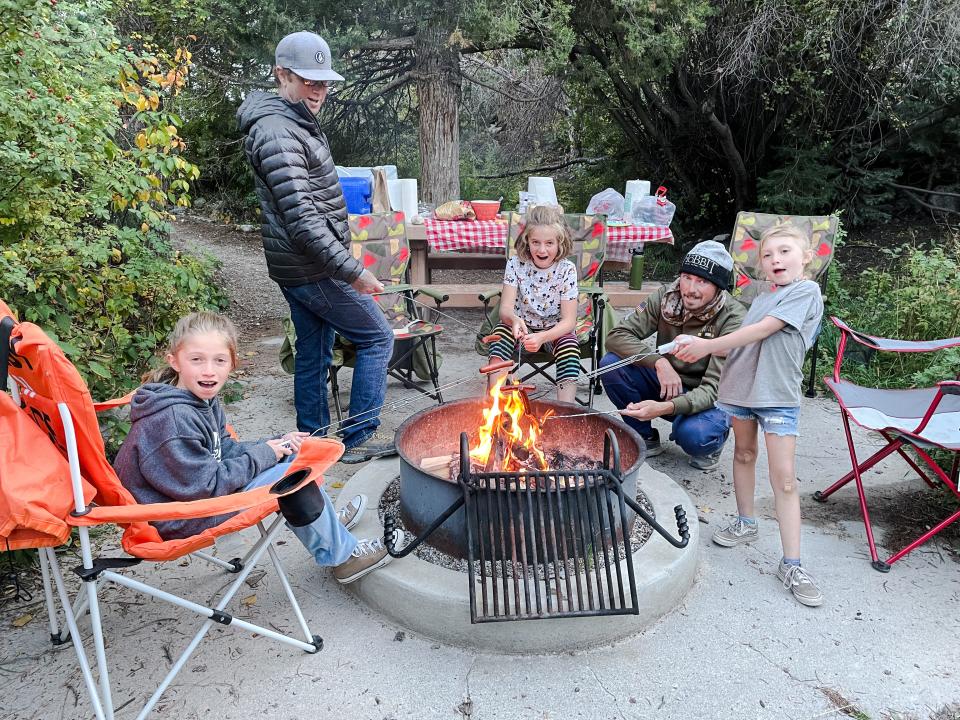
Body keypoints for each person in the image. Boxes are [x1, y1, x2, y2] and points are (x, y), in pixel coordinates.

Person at [113, 312, 400, 585]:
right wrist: (266, 455)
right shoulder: (174, 419)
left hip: (194, 496)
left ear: (232, 363)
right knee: (290, 478)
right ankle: (343, 556)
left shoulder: (196, 398)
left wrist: (274, 444)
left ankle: (326, 527)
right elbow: (205, 485)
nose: (209, 371)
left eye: (219, 360)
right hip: (178, 516)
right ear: (174, 361)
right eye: (197, 360)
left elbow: (221, 449)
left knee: (293, 455)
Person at [236, 30, 394, 464]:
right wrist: (352, 270)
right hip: (310, 268)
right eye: (310, 81)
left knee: (313, 351)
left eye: (324, 83)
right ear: (282, 74)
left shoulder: (291, 120)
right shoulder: (276, 131)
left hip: (298, 266)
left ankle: (311, 443)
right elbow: (302, 220)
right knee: (378, 336)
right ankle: (357, 440)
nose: (319, 91)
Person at [670, 225, 825, 607]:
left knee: (784, 479)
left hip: (777, 395)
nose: (776, 260)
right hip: (741, 390)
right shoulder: (761, 295)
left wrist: (707, 345)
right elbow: (748, 338)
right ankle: (746, 522)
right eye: (768, 255)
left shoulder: (806, 292)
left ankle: (792, 563)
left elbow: (761, 332)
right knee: (742, 454)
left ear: (806, 257)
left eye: (785, 252)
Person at [599, 240, 745, 470]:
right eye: (687, 277)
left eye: (702, 281)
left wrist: (664, 408)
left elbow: (713, 390)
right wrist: (659, 362)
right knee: (612, 365)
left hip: (709, 398)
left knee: (695, 436)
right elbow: (617, 336)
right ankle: (643, 436)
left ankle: (713, 441)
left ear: (719, 286)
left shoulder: (733, 318)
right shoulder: (666, 296)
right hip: (666, 383)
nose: (690, 289)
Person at [484, 205, 580, 403]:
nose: (542, 249)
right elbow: (505, 310)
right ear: (527, 240)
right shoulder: (515, 263)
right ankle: (494, 408)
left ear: (559, 243)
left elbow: (569, 321)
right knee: (498, 340)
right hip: (520, 326)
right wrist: (514, 319)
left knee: (570, 350)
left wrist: (542, 337)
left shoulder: (567, 270)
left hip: (554, 330)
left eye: (549, 243)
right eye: (535, 242)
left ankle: (565, 412)